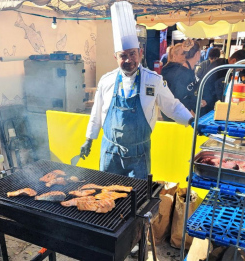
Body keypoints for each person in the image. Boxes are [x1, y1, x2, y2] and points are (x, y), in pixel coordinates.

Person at [80, 1, 193, 180]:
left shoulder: (153, 80)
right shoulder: (106, 81)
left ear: (140, 53)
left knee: (137, 199)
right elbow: (97, 113)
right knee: (107, 195)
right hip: (110, 153)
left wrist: (190, 120)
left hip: (139, 155)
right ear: (115, 57)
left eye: (132, 54)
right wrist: (89, 139)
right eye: (123, 56)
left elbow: (171, 106)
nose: (128, 60)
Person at [162, 39, 206, 119]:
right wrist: (192, 117)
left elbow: (188, 93)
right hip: (178, 120)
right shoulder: (182, 73)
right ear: (197, 54)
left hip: (181, 116)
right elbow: (180, 99)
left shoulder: (189, 70)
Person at [201, 49, 245, 114]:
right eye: (241, 66)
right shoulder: (221, 67)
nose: (241, 69)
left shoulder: (224, 65)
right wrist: (207, 100)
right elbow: (209, 85)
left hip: (212, 101)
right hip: (209, 104)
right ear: (234, 60)